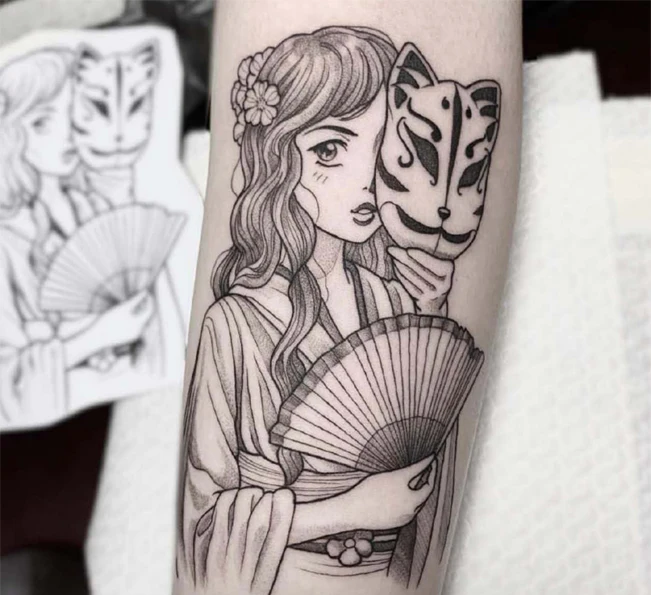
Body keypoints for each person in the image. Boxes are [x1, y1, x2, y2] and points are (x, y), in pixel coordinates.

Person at [176, 2, 521, 594]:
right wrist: (348, 511)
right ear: (280, 158)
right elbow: (205, 523)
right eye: (330, 149)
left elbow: (425, 464)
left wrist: (432, 316)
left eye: (383, 146)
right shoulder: (233, 324)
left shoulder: (393, 301)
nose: (364, 178)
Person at [0, 49, 155, 428]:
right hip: (53, 436)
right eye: (41, 122)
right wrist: (95, 338)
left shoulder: (91, 206)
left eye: (76, 110)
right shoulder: (7, 242)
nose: (65, 133)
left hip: (133, 402)